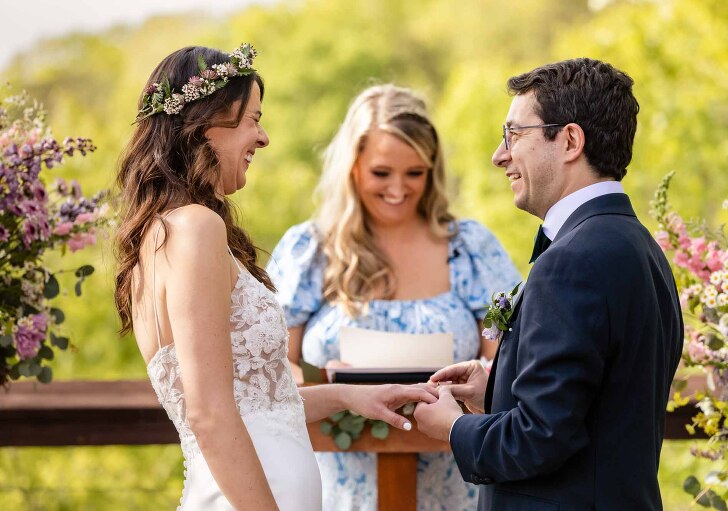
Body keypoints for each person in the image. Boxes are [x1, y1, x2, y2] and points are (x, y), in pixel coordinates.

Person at [113, 45, 436, 511]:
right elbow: (208, 414)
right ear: (207, 122)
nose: (263, 138)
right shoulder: (196, 228)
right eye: (252, 119)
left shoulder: (165, 232)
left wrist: (352, 395)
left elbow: (260, 409)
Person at [413, 58, 684, 510]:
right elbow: (600, 407)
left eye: (514, 135)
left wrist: (452, 427)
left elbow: (540, 438)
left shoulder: (573, 261)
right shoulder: (638, 246)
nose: (500, 155)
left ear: (570, 140)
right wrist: (498, 386)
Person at [267, 84, 522, 510]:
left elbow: (506, 359)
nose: (399, 189)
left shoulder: (471, 248)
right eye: (382, 173)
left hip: (452, 481)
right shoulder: (309, 250)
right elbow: (273, 364)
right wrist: (321, 382)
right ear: (353, 168)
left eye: (415, 173)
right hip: (338, 480)